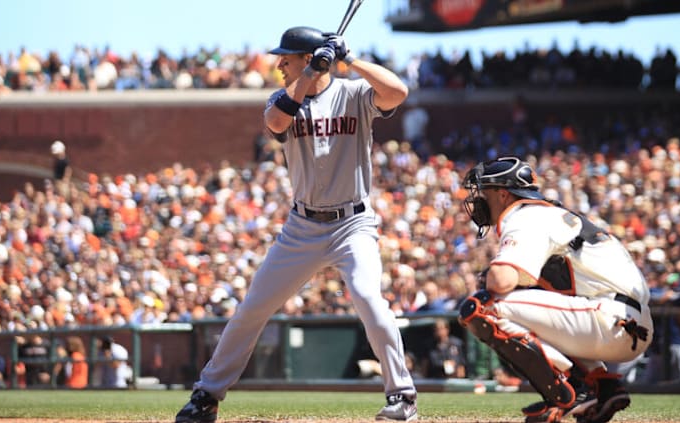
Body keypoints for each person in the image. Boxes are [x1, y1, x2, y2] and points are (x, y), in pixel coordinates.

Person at [175, 26, 417, 423]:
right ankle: (206, 395)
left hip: (352, 225)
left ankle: (402, 396)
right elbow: (274, 122)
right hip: (301, 227)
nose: (279, 65)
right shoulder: (285, 98)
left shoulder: (353, 93)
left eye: (286, 59)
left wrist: (348, 59)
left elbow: (397, 92)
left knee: (369, 299)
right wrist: (309, 73)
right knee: (253, 308)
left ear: (305, 57)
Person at [458, 156, 653, 423]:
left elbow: (500, 280)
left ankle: (569, 394)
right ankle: (603, 386)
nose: (479, 200)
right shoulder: (549, 214)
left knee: (481, 307)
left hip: (607, 317)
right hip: (627, 322)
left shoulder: (525, 215)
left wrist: (492, 277)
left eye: (485, 192)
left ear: (503, 194)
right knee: (523, 301)